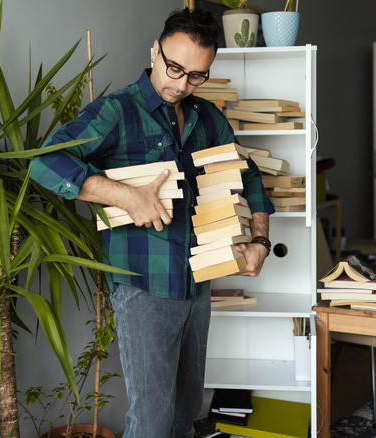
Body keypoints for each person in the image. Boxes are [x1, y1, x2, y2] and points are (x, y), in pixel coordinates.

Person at [29, 8, 274, 437]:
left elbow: (248, 174)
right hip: (143, 289)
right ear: (155, 51)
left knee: (185, 413)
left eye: (196, 75)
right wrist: (123, 195)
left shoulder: (209, 117)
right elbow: (46, 162)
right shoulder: (117, 111)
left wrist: (260, 239)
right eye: (174, 67)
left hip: (198, 284)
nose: (181, 84)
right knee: (151, 422)